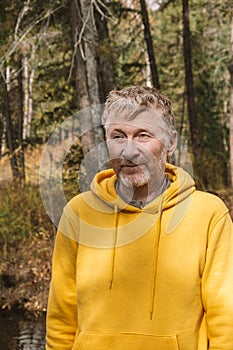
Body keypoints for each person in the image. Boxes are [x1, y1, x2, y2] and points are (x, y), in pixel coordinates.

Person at [46, 86, 233, 350]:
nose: (129, 151)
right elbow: (61, 318)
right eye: (118, 136)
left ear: (170, 143)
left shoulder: (208, 214)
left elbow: (226, 321)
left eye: (143, 135)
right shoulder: (79, 213)